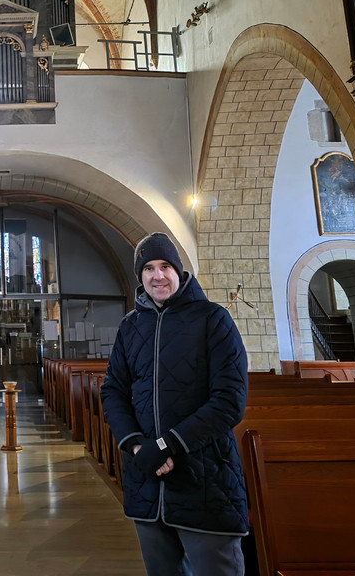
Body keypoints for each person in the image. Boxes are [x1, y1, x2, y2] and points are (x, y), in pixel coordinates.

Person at [100, 232, 249, 576]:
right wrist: (138, 446)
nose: (158, 275)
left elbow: (229, 401)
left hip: (205, 484)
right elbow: (114, 392)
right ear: (140, 276)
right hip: (147, 483)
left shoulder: (213, 320)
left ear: (179, 271)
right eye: (149, 268)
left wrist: (168, 445)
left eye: (165, 266)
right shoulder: (130, 328)